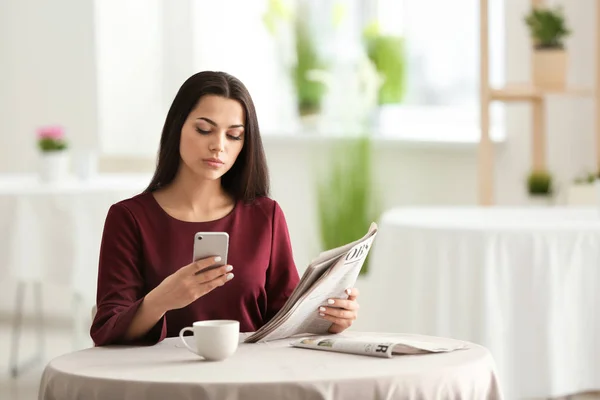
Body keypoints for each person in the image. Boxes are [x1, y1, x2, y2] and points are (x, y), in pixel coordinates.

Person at [90, 71, 360, 346]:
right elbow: (108, 329)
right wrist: (162, 299)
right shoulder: (129, 218)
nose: (218, 146)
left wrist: (331, 319)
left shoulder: (266, 216)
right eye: (204, 130)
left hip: (249, 378)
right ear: (177, 128)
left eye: (234, 135)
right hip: (163, 381)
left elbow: (285, 320)